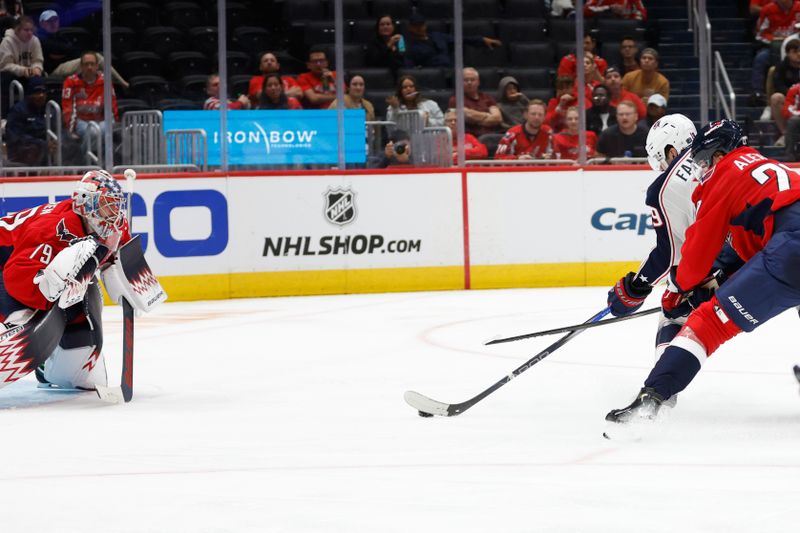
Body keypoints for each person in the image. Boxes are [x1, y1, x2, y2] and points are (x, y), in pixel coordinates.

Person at [605, 119, 800, 425]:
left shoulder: (719, 176)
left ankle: (653, 397)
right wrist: (720, 278)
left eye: (703, 160)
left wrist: (676, 288)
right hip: (781, 242)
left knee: (708, 322)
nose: (700, 168)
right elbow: (754, 241)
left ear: (719, 153)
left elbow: (688, 256)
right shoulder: (764, 163)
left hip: (789, 251)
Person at [0, 171, 142, 392]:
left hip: (17, 265)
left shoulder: (110, 224)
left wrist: (129, 277)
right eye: (106, 206)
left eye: (116, 205)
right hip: (10, 268)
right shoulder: (51, 230)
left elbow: (117, 256)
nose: (114, 214)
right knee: (22, 317)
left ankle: (56, 368)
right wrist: (48, 291)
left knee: (85, 295)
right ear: (87, 205)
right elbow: (16, 278)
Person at [61, 51, 119, 163]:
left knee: (103, 130)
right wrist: (70, 129)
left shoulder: (105, 81)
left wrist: (115, 121)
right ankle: (87, 163)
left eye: (92, 64)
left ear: (97, 66)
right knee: (93, 131)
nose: (89, 67)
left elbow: (112, 104)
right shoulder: (71, 82)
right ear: (81, 66)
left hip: (102, 120)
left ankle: (101, 163)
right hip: (81, 121)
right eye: (86, 64)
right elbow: (68, 107)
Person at [404, 12, 502, 68]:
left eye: (421, 24)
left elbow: (462, 39)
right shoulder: (410, 46)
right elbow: (410, 68)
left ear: (425, 25)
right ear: (410, 28)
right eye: (416, 26)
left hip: (452, 72)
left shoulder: (438, 36)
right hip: (434, 79)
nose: (419, 28)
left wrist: (482, 39)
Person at [751, 0, 800, 104]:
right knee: (761, 58)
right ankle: (757, 92)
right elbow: (760, 34)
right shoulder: (768, 10)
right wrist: (776, 39)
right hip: (773, 46)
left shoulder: (799, 7)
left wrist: (792, 38)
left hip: (797, 45)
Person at [5, 76, 54, 166]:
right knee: (34, 148)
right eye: (37, 92)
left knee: (68, 146)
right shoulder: (18, 110)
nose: (41, 95)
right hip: (23, 152)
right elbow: (16, 137)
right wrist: (42, 144)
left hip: (45, 149)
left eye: (43, 92)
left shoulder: (50, 109)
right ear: (29, 94)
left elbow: (58, 130)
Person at [0, 16, 43, 116]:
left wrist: (37, 68)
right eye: (26, 30)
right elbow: (5, 65)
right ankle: (6, 116)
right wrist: (23, 70)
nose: (30, 33)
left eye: (31, 30)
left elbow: (38, 60)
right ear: (17, 30)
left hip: (29, 74)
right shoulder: (7, 42)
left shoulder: (35, 40)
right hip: (10, 75)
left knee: (39, 82)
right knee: (6, 80)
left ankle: (38, 115)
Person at [448, 67, 503, 137]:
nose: (469, 82)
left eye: (472, 80)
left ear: (478, 82)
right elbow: (468, 115)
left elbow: (498, 118)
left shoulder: (488, 98)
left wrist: (476, 120)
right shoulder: (455, 99)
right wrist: (488, 115)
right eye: (466, 80)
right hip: (469, 137)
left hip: (491, 136)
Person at [769, 39, 800, 142]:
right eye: (795, 52)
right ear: (787, 53)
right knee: (776, 97)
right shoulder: (781, 67)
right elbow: (778, 86)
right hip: (788, 98)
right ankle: (785, 134)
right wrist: (793, 93)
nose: (798, 54)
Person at [37, 9, 76, 75]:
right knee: (94, 59)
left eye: (55, 20)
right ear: (41, 24)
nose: (53, 23)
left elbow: (71, 50)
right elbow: (58, 49)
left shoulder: (62, 35)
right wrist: (69, 51)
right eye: (49, 21)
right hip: (53, 71)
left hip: (66, 66)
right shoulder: (40, 38)